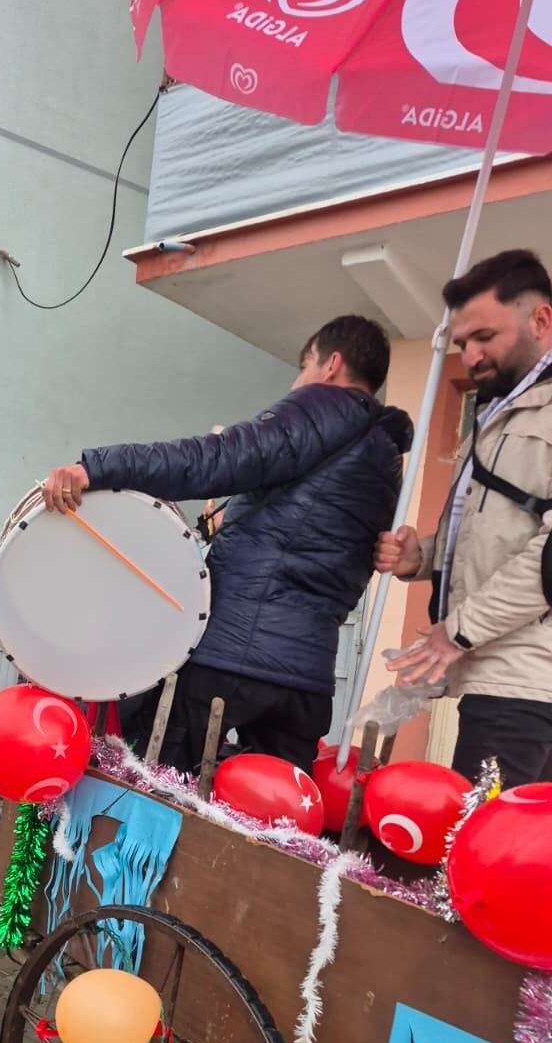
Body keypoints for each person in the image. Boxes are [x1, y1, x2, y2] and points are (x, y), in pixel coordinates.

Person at [43, 316, 413, 773]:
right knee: (277, 824)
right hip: (308, 678)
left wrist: (99, 467)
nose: (297, 383)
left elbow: (212, 460)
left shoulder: (319, 409)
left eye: (303, 367)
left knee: (162, 791)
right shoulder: (386, 457)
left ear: (331, 364)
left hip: (230, 659)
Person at [375, 249, 552, 790]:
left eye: (484, 337)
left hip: (525, 686)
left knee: (479, 857)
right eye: (461, 344)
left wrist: (458, 632)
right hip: (502, 683)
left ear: (541, 320)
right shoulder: (504, 410)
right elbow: (502, 529)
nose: (470, 356)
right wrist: (421, 556)